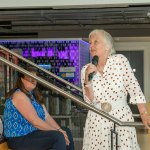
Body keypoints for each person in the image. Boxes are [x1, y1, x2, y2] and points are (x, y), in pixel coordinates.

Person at [81, 29, 150, 150]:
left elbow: (134, 88)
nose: (91, 45)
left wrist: (143, 113)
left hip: (121, 117)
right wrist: (87, 81)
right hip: (96, 121)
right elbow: (89, 101)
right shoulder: (85, 69)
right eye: (90, 43)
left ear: (108, 46)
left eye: (95, 42)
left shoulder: (119, 61)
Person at [3, 67, 74, 150]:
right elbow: (35, 121)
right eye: (29, 77)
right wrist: (58, 132)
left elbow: (46, 116)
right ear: (21, 79)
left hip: (32, 133)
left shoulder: (34, 95)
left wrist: (59, 129)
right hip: (19, 138)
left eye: (35, 77)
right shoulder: (19, 95)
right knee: (58, 136)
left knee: (66, 131)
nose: (33, 80)